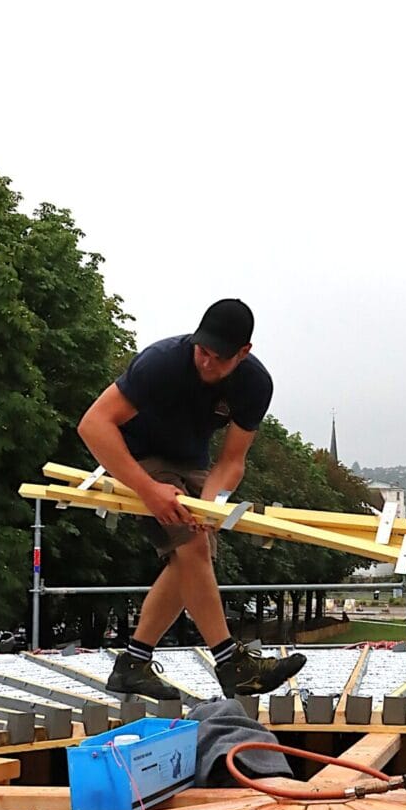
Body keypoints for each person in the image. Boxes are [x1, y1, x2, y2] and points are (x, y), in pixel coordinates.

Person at [77, 298, 307, 701]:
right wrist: (148, 490)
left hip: (191, 459)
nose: (206, 363)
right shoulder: (162, 362)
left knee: (194, 556)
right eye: (203, 351)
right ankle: (230, 662)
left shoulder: (254, 384)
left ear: (243, 353)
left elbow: (232, 460)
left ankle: (133, 663)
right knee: (193, 546)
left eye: (219, 358)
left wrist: (212, 501)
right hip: (136, 454)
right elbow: (94, 425)